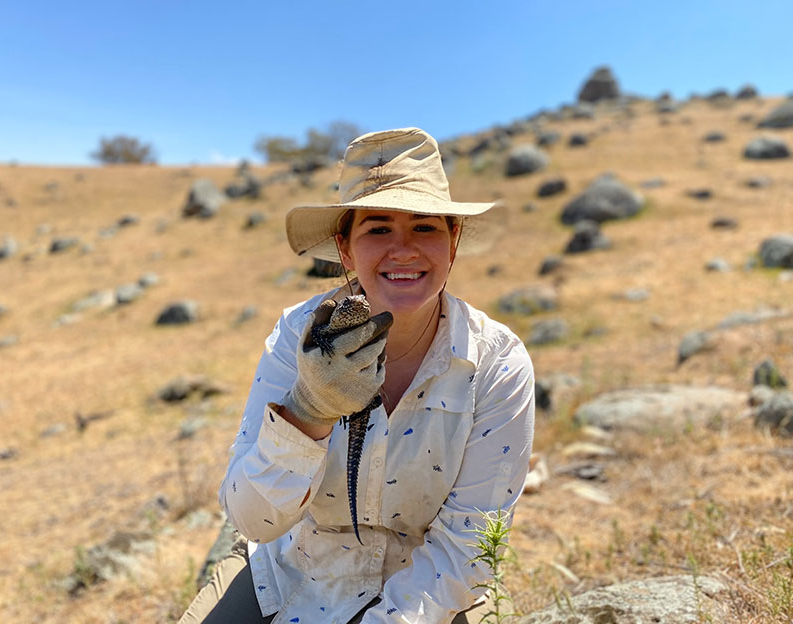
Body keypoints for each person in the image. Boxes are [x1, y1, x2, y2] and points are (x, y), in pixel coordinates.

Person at [179, 127, 535, 623]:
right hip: (292, 574)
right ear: (345, 249)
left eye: (426, 227)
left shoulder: (496, 363)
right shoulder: (297, 337)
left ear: (453, 243)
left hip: (428, 593)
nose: (404, 249)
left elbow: (469, 547)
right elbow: (252, 519)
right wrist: (308, 411)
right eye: (379, 229)